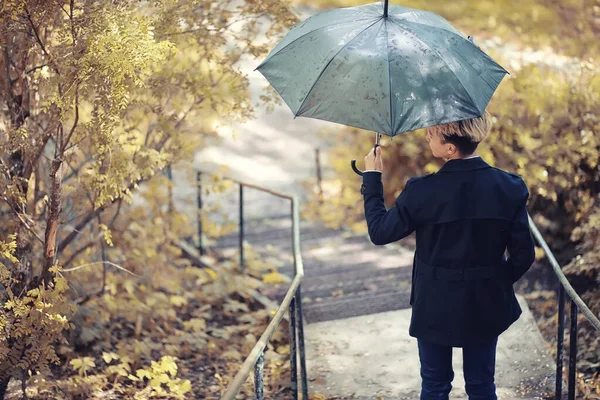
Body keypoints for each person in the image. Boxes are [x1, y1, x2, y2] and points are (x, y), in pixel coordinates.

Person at [360, 111, 535, 400]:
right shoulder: (509, 187)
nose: (427, 135)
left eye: (433, 132)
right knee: (481, 385)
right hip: (484, 301)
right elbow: (523, 255)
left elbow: (380, 232)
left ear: (450, 148)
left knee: (435, 384)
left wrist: (372, 177)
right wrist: (494, 281)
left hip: (434, 304)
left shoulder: (423, 191)